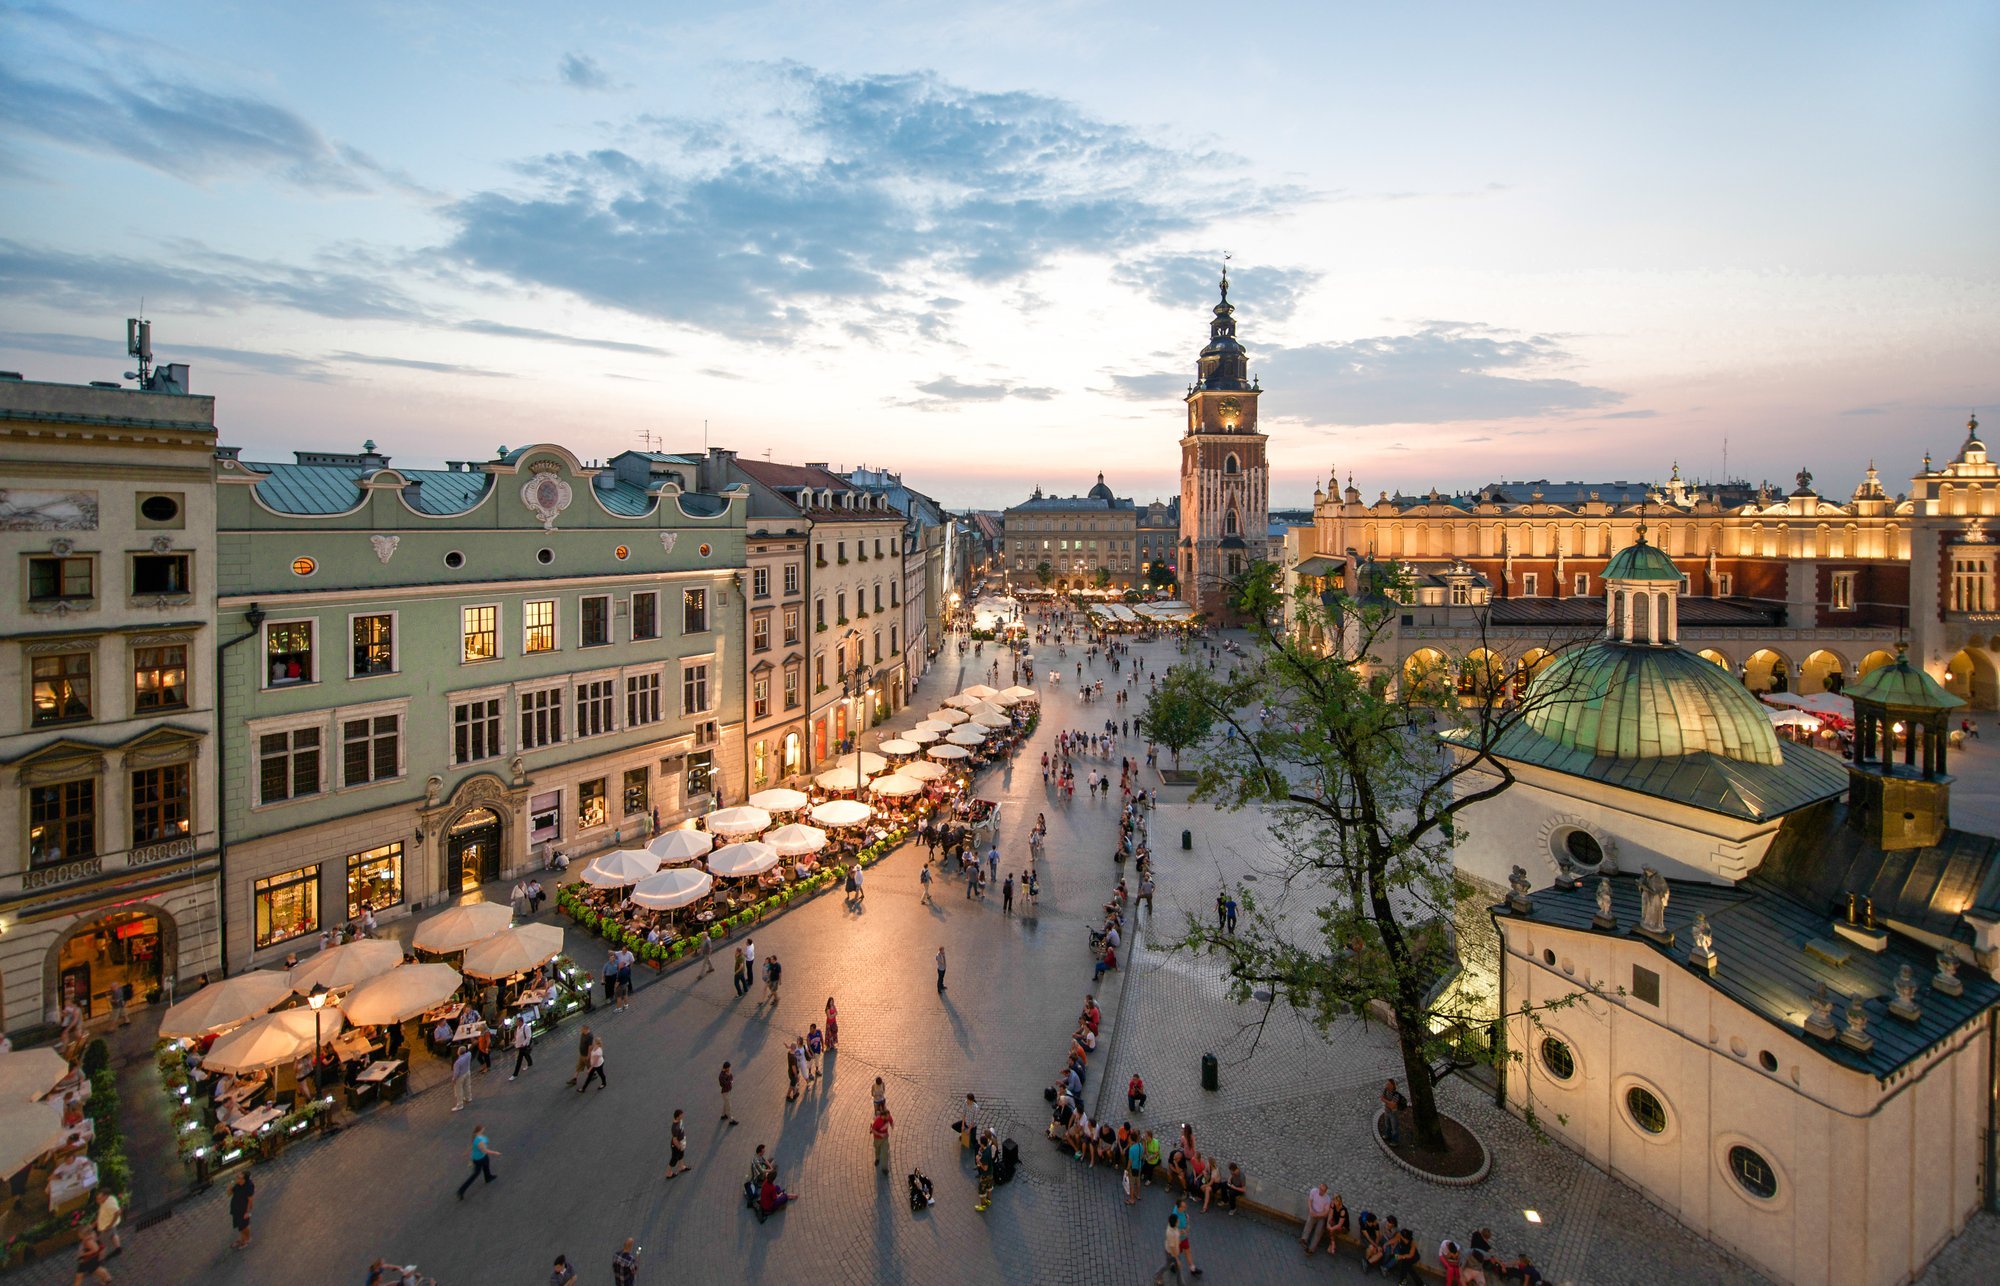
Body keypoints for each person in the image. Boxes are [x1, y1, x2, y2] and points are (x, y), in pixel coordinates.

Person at [457, 1125, 498, 1199]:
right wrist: (495, 1153)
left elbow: (472, 1147)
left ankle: (488, 1177)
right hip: (480, 1158)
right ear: (480, 1130)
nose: (484, 1129)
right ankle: (461, 1190)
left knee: (486, 1166)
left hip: (479, 1157)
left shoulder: (476, 1137)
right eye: (483, 1129)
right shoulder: (479, 1141)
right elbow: (484, 1150)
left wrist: (466, 1152)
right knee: (476, 1173)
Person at [1303, 1182, 1334, 1253]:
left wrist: (1317, 1215)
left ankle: (1311, 1248)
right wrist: (1311, 1209)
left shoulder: (1327, 1199)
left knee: (1319, 1231)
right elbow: (1310, 1200)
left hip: (1321, 1216)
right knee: (1309, 1221)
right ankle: (1304, 1239)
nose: (1321, 1191)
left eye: (1323, 1190)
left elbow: (1326, 1212)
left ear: (1325, 1191)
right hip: (1314, 1211)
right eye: (1320, 1189)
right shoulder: (1314, 1191)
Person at [228, 1171, 255, 1248]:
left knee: (245, 1226)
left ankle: (247, 1239)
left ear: (244, 1179)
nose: (237, 1178)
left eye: (239, 1177)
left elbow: (250, 1200)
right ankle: (242, 1239)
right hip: (236, 1209)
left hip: (244, 1210)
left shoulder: (249, 1186)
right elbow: (229, 1194)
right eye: (237, 1177)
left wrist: (248, 1212)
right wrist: (229, 1187)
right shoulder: (237, 1185)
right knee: (240, 1226)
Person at [93, 1188, 122, 1256]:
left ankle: (101, 1259)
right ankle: (118, 1248)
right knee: (113, 1235)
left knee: (101, 1243)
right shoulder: (107, 1200)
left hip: (107, 1226)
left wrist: (109, 1226)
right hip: (110, 1224)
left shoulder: (109, 1204)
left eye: (99, 1198)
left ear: (105, 1196)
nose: (97, 1200)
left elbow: (117, 1212)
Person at [1380, 1079, 1406, 1145]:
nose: (1386, 1085)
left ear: (1392, 1085)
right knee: (1387, 1124)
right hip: (1387, 1111)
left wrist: (1386, 1101)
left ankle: (1395, 1141)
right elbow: (1382, 1098)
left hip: (1393, 1113)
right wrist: (1389, 1103)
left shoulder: (1396, 1094)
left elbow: (1392, 1105)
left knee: (1394, 1127)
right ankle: (1387, 1135)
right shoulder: (1386, 1090)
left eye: (1388, 1084)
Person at [665, 1108, 690, 1179]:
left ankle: (681, 1167)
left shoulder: (680, 1120)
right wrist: (679, 1146)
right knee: (674, 1159)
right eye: (681, 1115)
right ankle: (668, 1173)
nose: (683, 1116)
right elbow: (674, 1140)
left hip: (681, 1141)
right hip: (676, 1144)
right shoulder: (675, 1127)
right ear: (677, 1116)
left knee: (681, 1154)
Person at [870, 1105, 893, 1173]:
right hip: (877, 1139)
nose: (889, 1117)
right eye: (887, 1116)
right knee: (877, 1149)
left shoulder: (888, 1117)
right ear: (883, 1116)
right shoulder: (877, 1121)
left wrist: (892, 1125)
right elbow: (873, 1130)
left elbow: (891, 1121)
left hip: (885, 1138)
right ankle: (877, 1158)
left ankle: (884, 1168)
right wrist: (880, 1134)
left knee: (885, 1152)